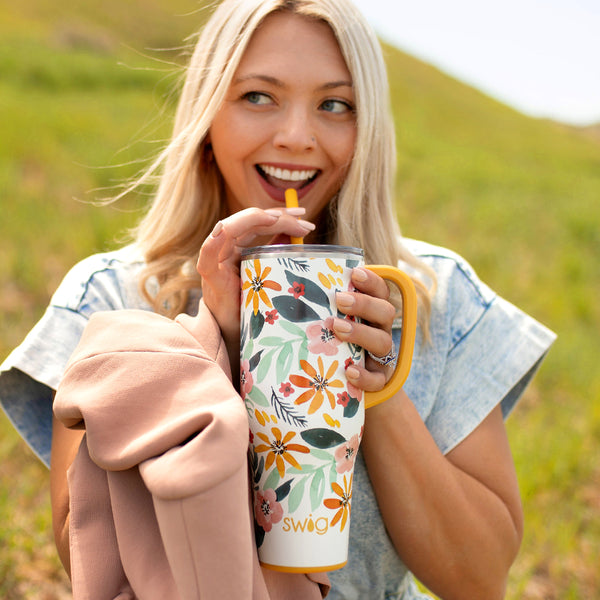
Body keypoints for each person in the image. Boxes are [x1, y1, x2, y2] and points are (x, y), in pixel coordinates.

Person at [0, 0, 556, 598]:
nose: (296, 137)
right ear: (207, 116)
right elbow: (82, 555)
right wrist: (211, 342)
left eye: (335, 104)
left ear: (366, 129)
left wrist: (378, 391)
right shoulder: (111, 298)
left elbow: (480, 578)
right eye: (258, 96)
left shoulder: (430, 295)